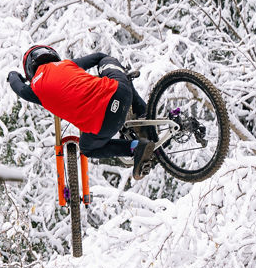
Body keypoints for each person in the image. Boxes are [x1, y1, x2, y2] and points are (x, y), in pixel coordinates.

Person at [8, 45, 156, 180]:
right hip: (120, 91)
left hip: (105, 123)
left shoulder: (34, 89)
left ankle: (136, 146)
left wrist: (13, 75)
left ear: (29, 70)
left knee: (87, 148)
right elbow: (99, 56)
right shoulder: (67, 64)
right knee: (108, 62)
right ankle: (143, 114)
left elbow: (18, 87)